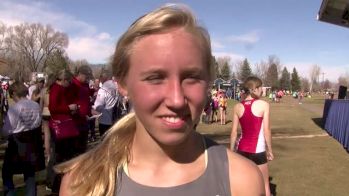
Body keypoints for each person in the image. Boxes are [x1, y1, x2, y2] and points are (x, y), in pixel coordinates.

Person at [57, 4, 264, 196]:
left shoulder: (241, 181)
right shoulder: (83, 184)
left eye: (191, 77)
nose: (176, 100)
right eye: (155, 78)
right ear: (123, 84)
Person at [230, 76, 274, 196]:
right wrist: (270, 150)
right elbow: (267, 130)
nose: (262, 90)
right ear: (254, 89)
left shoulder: (237, 107)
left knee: (243, 186)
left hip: (241, 150)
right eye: (260, 88)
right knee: (265, 185)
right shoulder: (264, 105)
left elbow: (234, 132)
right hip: (258, 150)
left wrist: (232, 150)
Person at [1, 82, 44, 196]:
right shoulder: (35, 105)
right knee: (29, 173)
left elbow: (7, 130)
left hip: (18, 143)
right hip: (33, 142)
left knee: (6, 171)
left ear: (14, 93)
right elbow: (38, 122)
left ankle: (10, 192)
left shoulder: (15, 109)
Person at [47, 69, 79, 194]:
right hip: (60, 127)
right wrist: (68, 108)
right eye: (69, 81)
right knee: (59, 157)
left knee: (63, 156)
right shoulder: (56, 89)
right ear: (64, 80)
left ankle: (60, 183)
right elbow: (53, 108)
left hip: (65, 125)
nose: (70, 83)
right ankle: (55, 185)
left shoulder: (61, 89)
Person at [91, 69, 118, 138]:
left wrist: (92, 108)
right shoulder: (117, 86)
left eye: (100, 77)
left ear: (103, 78)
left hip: (105, 120)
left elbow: (98, 106)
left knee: (105, 142)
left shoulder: (103, 89)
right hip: (116, 118)